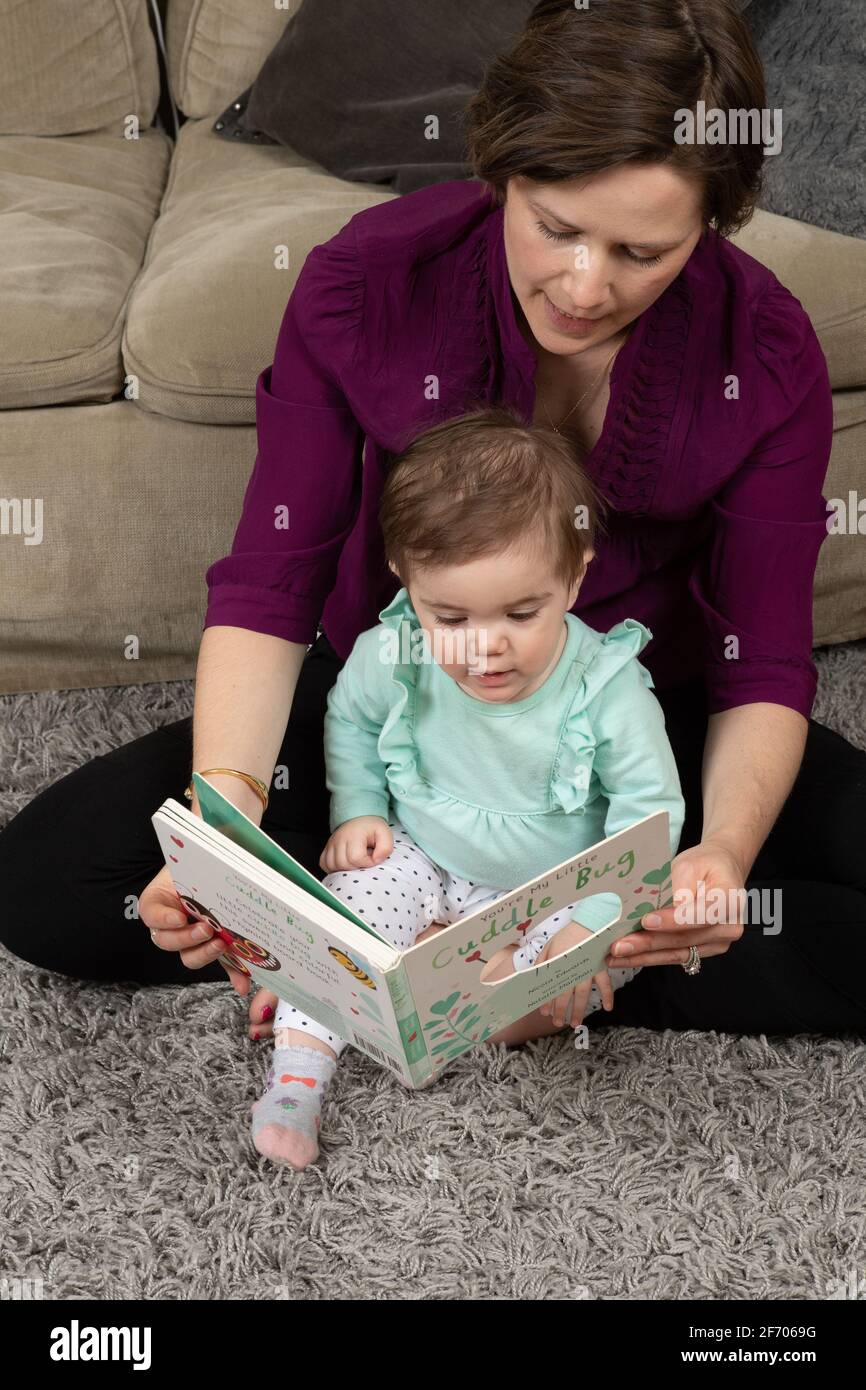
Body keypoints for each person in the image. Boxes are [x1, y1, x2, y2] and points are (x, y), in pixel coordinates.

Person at [1, 0, 864, 1048]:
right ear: (502, 170)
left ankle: (533, 964)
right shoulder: (366, 281)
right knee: (47, 883)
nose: (584, 287)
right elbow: (273, 582)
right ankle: (467, 945)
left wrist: (718, 860)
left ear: (709, 226)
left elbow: (759, 660)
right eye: (554, 229)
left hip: (631, 721)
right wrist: (226, 841)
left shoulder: (763, 351)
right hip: (397, 703)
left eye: (642, 251)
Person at [251, 405, 685, 1167]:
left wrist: (597, 915)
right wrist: (359, 810)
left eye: (523, 613)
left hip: (551, 893)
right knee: (347, 910)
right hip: (425, 850)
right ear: (405, 582)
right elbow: (349, 719)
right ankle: (298, 1073)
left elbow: (649, 815)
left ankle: (437, 992)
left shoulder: (609, 688)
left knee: (582, 976)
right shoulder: (396, 653)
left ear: (576, 573)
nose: (487, 649)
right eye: (451, 616)